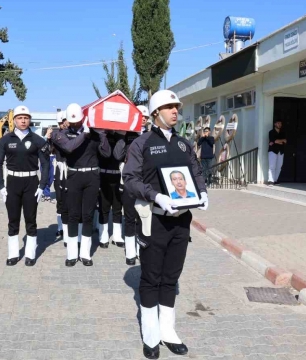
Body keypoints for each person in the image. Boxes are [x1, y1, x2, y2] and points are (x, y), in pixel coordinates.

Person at [122, 90, 208, 359]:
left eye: (176, 107)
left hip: (181, 221)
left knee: (171, 277)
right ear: (155, 112)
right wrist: (156, 195)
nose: (175, 111)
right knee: (151, 278)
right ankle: (150, 335)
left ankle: (168, 331)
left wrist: (202, 192)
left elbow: (195, 171)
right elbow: (130, 179)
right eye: (169, 107)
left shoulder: (183, 144)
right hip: (154, 220)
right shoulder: (141, 144)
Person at [53, 103, 111, 267]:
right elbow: (69, 148)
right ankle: (72, 254)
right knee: (73, 214)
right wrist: (84, 134)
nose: (75, 124)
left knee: (87, 215)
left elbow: (106, 153)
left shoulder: (92, 134)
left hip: (92, 176)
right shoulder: (61, 134)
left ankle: (85, 253)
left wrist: (102, 135)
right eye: (72, 122)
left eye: (78, 121)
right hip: (74, 175)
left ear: (83, 118)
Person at [0, 105, 50, 267]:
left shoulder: (38, 140)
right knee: (13, 220)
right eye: (20, 118)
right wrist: (1, 186)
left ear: (30, 120)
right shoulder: (5, 140)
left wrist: (42, 186)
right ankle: (13, 254)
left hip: (31, 183)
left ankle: (30, 254)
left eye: (26, 118)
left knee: (30, 219)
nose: (23, 120)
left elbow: (45, 165)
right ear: (14, 120)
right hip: (12, 183)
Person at [113, 105, 148, 265]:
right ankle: (130, 252)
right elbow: (117, 155)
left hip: (146, 182)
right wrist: (121, 136)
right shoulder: (127, 136)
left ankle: (142, 250)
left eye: (145, 117)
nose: (143, 120)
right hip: (128, 181)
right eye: (140, 117)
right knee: (129, 217)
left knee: (143, 218)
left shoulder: (151, 136)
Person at [97, 131, 124, 249]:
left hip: (118, 175)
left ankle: (117, 236)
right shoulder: (102, 136)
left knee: (118, 208)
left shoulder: (122, 135)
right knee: (104, 207)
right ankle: (103, 234)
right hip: (104, 175)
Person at [48, 111, 69, 243]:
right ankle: (61, 227)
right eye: (63, 122)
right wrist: (48, 138)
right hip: (60, 169)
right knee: (60, 199)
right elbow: (49, 149)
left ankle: (69, 226)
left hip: (71, 170)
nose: (65, 124)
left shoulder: (74, 133)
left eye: (65, 121)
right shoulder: (56, 135)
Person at [267, 119, 286, 186]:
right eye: (278, 123)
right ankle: (270, 180)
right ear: (275, 124)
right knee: (272, 166)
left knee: (279, 166)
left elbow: (285, 141)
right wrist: (280, 141)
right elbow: (274, 141)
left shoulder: (283, 132)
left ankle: (275, 180)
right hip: (273, 151)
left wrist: (277, 141)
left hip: (280, 151)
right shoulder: (271, 132)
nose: (279, 125)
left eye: (280, 123)